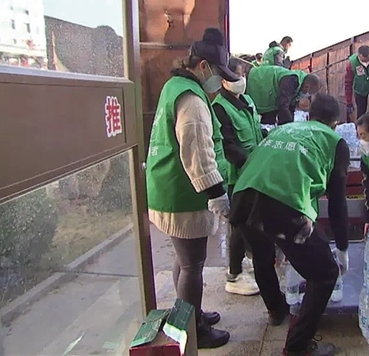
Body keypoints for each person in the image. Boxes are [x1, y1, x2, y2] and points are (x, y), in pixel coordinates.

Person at [229, 93, 350, 356]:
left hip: (242, 197)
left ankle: (276, 309)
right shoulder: (335, 142)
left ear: (309, 116)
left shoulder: (285, 129)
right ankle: (297, 348)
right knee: (325, 273)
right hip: (283, 203)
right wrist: (342, 247)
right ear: (336, 123)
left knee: (262, 256)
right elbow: (338, 202)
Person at [145, 27, 238, 349]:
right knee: (192, 265)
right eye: (218, 74)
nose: (219, 81)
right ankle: (193, 329)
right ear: (203, 66)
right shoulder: (193, 99)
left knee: (184, 261)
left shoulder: (174, 86)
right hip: (183, 194)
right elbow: (198, 153)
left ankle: (188, 314)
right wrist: (217, 194)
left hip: (168, 188)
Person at [211, 59, 268, 296]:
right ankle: (233, 274)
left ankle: (244, 261)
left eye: (243, 75)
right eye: (235, 76)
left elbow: (256, 130)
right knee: (238, 223)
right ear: (224, 80)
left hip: (253, 172)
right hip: (237, 175)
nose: (241, 80)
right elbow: (229, 147)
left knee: (251, 221)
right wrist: (251, 164)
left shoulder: (247, 101)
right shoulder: (220, 108)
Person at [246, 64, 322, 125]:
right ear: (307, 87)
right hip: (254, 81)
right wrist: (288, 127)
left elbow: (290, 108)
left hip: (266, 91)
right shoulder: (292, 80)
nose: (308, 96)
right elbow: (283, 105)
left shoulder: (298, 87)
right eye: (311, 93)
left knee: (269, 121)